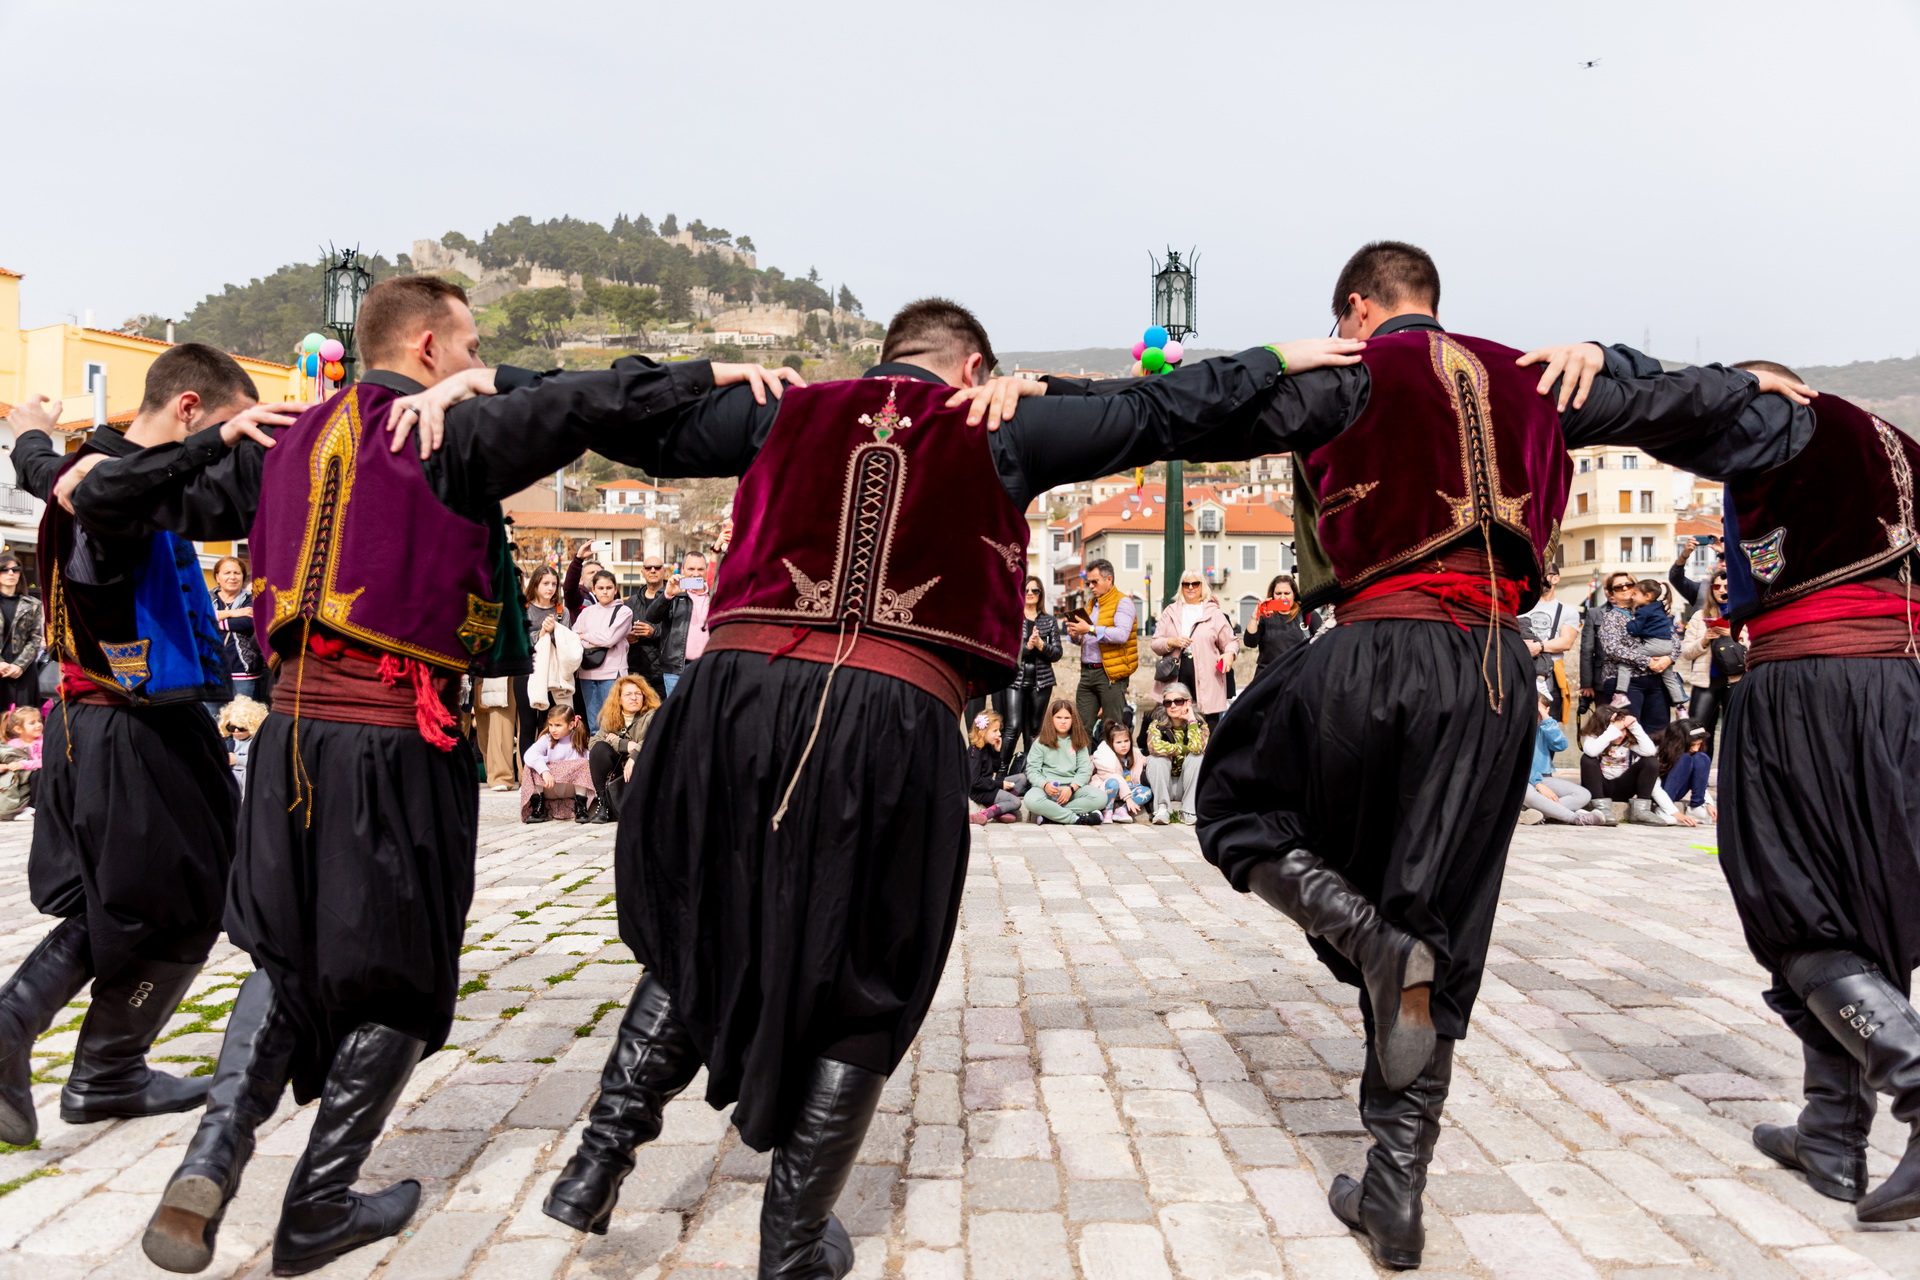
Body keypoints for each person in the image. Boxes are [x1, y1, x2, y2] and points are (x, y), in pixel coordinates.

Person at [541, 296, 1356, 1278]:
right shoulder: (996, 420)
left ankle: (599, 1159)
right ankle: (790, 1241)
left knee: (700, 920)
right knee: (874, 968)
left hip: (733, 693)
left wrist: (695, 375)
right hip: (890, 703)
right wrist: (1274, 356)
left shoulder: (785, 409)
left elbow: (617, 418)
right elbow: (1162, 412)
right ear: (974, 369)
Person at [59, 275, 803, 1275]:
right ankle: (318, 1204)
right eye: (469, 346)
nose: (474, 362)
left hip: (285, 734)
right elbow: (590, 400)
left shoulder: (284, 441)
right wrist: (710, 369)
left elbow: (100, 492)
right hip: (393, 740)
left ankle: (208, 1162)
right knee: (401, 984)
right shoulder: (443, 432)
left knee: (283, 957)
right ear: (426, 347)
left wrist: (201, 443)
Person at [1190, 241, 1807, 1268]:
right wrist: (1747, 386)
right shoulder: (1530, 376)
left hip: (1379, 641)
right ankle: (1394, 1191)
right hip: (1495, 668)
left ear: (1359, 307)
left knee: (1234, 800)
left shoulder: (1350, 369)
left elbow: (1196, 411)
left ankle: (1368, 937)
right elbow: (1671, 403)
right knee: (1440, 913)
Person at [1659, 362, 1920, 1222]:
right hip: (1903, 685)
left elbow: (1672, 414)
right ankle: (1832, 1136)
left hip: (1812, 680)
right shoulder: (1901, 452)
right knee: (1865, 913)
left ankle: (1913, 1083)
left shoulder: (1788, 426)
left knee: (1789, 904)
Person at [0, 347, 266, 1154]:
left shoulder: (93, 466)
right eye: (228, 428)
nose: (231, 450)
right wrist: (218, 444)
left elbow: (48, 466)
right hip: (128, 723)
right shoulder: (113, 484)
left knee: (135, 895)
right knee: (177, 896)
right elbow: (99, 486)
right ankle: (71, 1051)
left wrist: (33, 438)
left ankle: (102, 1067)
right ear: (189, 410)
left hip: (127, 721)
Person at [1150, 574, 1239, 730]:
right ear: (1181, 587)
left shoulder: (1214, 613)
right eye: (1186, 584)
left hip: (1208, 673)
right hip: (1177, 670)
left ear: (1202, 586)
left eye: (1195, 584)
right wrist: (1171, 642)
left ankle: (1206, 745)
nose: (1190, 587)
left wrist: (1229, 654)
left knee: (1208, 721)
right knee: (1174, 718)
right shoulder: (1170, 611)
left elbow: (1231, 641)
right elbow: (1155, 643)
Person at [1595, 571, 1678, 732]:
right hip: (1625, 681)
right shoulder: (1611, 617)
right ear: (1611, 594)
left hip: (1656, 679)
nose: (1625, 588)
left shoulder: (1655, 611)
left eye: (1629, 584)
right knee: (1629, 733)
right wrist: (1647, 661)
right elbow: (1612, 648)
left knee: (1658, 732)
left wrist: (1669, 659)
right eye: (1619, 587)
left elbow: (1674, 641)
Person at [1066, 559, 1135, 738]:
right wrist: (1075, 634)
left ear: (1109, 579)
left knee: (1112, 728)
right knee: (1081, 729)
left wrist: (1089, 629)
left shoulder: (1123, 602)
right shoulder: (1092, 604)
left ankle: (1112, 758)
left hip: (1109, 674)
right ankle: (1084, 758)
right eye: (1088, 583)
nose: (1091, 586)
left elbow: (1122, 635)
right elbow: (1085, 637)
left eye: (1094, 582)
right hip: (1087, 672)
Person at [1678, 570, 1743, 757]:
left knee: (1736, 731)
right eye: (1716, 586)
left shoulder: (1743, 613)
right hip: (1706, 682)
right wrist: (1705, 640)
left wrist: (1733, 635)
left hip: (1736, 680)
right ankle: (1699, 771)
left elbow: (1755, 645)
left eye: (1726, 586)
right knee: (1697, 731)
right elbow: (1686, 652)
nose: (1721, 590)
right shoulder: (1699, 616)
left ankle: (1731, 772)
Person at [1001, 575, 1060, 763]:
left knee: (1034, 730)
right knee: (1013, 727)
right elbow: (1006, 650)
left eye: (1035, 590)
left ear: (1040, 594)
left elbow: (1057, 653)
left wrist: (1041, 645)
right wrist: (1028, 647)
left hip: (1041, 682)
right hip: (1015, 680)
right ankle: (1001, 772)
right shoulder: (1013, 618)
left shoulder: (1049, 621)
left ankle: (1029, 771)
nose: (1030, 593)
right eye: (1026, 589)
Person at [1521, 692, 1603, 825]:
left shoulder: (1545, 726)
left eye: (1538, 710)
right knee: (1528, 794)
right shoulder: (1515, 728)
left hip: (1543, 777)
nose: (1534, 713)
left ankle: (1536, 814)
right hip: (1520, 779)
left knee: (1583, 794)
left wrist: (1546, 719)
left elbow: (1560, 745)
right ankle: (1576, 818)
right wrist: (1537, 784)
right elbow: (1519, 762)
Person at [1578, 705, 1668, 825]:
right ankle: (1601, 809)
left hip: (1622, 787)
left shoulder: (1627, 740)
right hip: (1599, 789)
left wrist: (1634, 726)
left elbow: (1649, 751)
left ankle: (1641, 811)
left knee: (1650, 761)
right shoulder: (1593, 737)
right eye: (1617, 730)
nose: (1620, 735)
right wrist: (1612, 730)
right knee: (1587, 759)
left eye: (1623, 729)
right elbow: (1591, 752)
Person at [586, 674, 657, 824]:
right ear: (619, 699)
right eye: (628, 694)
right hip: (619, 770)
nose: (634, 698)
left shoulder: (652, 715)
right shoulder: (611, 718)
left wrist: (634, 755)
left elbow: (655, 739)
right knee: (599, 749)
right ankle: (603, 805)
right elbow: (593, 742)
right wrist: (622, 744)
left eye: (638, 694)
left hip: (643, 767)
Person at [1021, 700, 1104, 825]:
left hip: (1072, 789)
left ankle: (1051, 814)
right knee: (1030, 800)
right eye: (1058, 717)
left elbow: (1085, 770)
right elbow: (1032, 771)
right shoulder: (1040, 743)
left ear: (1073, 719)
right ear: (1051, 719)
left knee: (1101, 798)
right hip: (1046, 789)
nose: (1063, 721)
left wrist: (1071, 788)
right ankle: (1076, 819)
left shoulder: (1078, 742)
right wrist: (1045, 785)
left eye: (1067, 718)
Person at [1520, 566, 1578, 729]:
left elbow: (1566, 642)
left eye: (1543, 575)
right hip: (1520, 672)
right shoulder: (1519, 607)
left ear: (1555, 578)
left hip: (1551, 676)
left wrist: (1539, 646)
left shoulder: (1568, 611)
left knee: (1549, 728)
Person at [573, 570, 633, 727]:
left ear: (615, 589)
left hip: (612, 672)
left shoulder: (624, 611)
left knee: (613, 723)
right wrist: (593, 640)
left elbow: (610, 638)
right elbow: (573, 638)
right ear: (593, 590)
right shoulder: (586, 612)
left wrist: (585, 636)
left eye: (609, 587)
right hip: (586, 672)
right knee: (593, 725)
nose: (605, 592)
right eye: (600, 588)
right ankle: (595, 744)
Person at [1143, 683, 1208, 824]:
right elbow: (1154, 747)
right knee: (1155, 759)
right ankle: (1162, 809)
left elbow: (1197, 748)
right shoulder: (1157, 724)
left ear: (1188, 702)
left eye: (1178, 701)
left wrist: (1191, 720)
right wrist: (1184, 749)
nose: (1172, 706)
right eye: (1168, 702)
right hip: (1163, 783)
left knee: (1198, 757)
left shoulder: (1200, 725)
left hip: (1187, 785)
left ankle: (1189, 811)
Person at [1617, 579, 1686, 711]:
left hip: (1654, 645)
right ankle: (1680, 706)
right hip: (1668, 646)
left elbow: (1635, 629)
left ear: (1647, 596)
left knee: (1625, 663)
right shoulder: (1659, 607)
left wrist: (1630, 623)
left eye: (1635, 594)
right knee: (1669, 676)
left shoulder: (1643, 611)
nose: (1632, 597)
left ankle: (1620, 694)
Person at [210, 555, 265, 706]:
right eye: (227, 573)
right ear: (217, 577)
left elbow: (248, 622)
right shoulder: (206, 598)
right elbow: (196, 619)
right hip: (212, 671)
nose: (232, 577)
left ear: (243, 577)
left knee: (243, 716)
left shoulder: (252, 599)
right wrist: (233, 613)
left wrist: (214, 619)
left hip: (243, 670)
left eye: (237, 573)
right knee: (211, 716)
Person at [523, 706, 589, 823]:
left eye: (558, 725)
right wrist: (544, 771)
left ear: (571, 725)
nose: (553, 730)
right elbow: (529, 754)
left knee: (583, 763)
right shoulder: (546, 739)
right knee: (530, 765)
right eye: (551, 725)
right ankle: (538, 808)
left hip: (570, 789)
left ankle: (581, 808)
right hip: (549, 787)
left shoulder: (578, 739)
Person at [1243, 573, 1320, 675]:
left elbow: (1322, 643)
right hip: (1268, 675)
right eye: (1278, 593)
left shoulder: (1307, 614)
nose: (1282, 598)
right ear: (1272, 595)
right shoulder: (1265, 616)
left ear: (1294, 594)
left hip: (1296, 674)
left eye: (1287, 593)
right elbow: (1250, 642)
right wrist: (1255, 615)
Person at [0, 552, 45, 715]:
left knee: (23, 718)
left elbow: (35, 638)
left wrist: (20, 665)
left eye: (15, 569)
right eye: (5, 569)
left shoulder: (33, 604)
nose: (11, 573)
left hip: (23, 670)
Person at [624, 556, 673, 697]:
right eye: (648, 568)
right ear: (642, 572)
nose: (653, 570)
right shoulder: (631, 602)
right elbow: (621, 631)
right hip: (637, 672)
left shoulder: (675, 598)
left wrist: (654, 632)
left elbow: (681, 631)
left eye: (657, 567)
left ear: (664, 572)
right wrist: (627, 637)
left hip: (666, 672)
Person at [966, 710, 1024, 825]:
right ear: (982, 732)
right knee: (1016, 802)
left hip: (989, 785)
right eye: (995, 731)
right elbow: (975, 782)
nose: (999, 734)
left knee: (1022, 778)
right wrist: (1000, 784)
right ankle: (983, 815)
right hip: (980, 792)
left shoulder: (988, 746)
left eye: (999, 730)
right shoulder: (974, 752)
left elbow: (995, 769)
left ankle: (1000, 808)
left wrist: (997, 751)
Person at [1090, 721, 1151, 822]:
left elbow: (1144, 760)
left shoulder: (1135, 754)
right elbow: (1116, 778)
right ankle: (1107, 811)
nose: (1123, 745)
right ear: (1111, 743)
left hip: (1129, 789)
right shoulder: (1105, 759)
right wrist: (1128, 798)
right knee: (1113, 783)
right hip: (1109, 790)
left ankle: (1122, 810)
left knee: (1147, 791)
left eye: (1126, 741)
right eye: (1118, 742)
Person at [1655, 721, 1713, 822]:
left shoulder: (1695, 753)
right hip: (1659, 792)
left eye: (1698, 744)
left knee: (1701, 758)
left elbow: (1699, 780)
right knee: (1684, 758)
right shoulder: (1655, 750)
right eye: (1692, 745)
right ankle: (1663, 810)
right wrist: (1672, 810)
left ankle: (1696, 807)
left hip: (1678, 791)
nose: (1695, 749)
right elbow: (1654, 787)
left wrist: (1709, 803)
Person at [219, 696, 268, 795]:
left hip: (249, 778)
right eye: (232, 728)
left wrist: (236, 760)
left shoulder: (257, 741)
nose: (236, 731)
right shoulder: (227, 741)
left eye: (241, 728)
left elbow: (261, 761)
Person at [2, 704, 43, 813]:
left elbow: (46, 761)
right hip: (19, 780)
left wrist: (23, 765)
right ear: (18, 729)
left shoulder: (43, 742)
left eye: (39, 721)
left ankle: (33, 806)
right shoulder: (12, 745)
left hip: (35, 777)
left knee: (37, 775)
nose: (39, 725)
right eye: (32, 723)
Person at [562, 542, 605, 617]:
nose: (595, 575)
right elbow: (569, 588)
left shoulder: (610, 596)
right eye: (591, 572)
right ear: (581, 580)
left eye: (599, 572)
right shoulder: (577, 596)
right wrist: (578, 559)